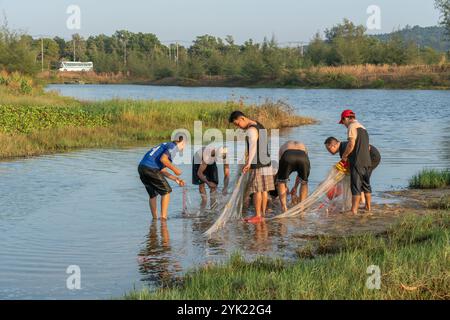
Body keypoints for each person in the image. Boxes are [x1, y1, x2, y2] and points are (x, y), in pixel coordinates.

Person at [229, 111, 275, 223]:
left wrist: (248, 163)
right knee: (264, 190)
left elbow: (253, 146)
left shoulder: (251, 130)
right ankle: (262, 214)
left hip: (257, 163)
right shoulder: (259, 125)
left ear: (242, 119)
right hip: (266, 162)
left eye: (237, 124)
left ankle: (258, 215)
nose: (238, 127)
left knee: (257, 190)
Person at [324, 136, 381, 207]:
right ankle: (362, 201)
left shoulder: (345, 148)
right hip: (366, 158)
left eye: (328, 149)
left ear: (333, 146)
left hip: (372, 157)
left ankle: (363, 202)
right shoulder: (343, 148)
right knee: (358, 179)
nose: (328, 151)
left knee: (361, 179)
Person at [138, 136, 186, 220]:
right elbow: (163, 159)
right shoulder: (173, 146)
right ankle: (163, 218)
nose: (184, 147)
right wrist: (176, 170)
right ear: (182, 143)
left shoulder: (166, 145)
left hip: (142, 168)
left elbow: (162, 170)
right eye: (184, 145)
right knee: (166, 192)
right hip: (151, 168)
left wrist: (176, 179)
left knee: (153, 195)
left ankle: (155, 219)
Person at [338, 109, 372, 214]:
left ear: (346, 119)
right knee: (366, 185)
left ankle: (354, 210)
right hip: (367, 161)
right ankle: (368, 207)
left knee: (356, 186)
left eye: (342, 121)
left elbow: (351, 144)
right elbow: (368, 147)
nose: (343, 124)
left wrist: (344, 155)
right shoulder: (363, 128)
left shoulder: (351, 127)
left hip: (357, 162)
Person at [276, 140, 311, 212]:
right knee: (304, 182)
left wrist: (285, 186)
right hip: (303, 156)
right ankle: (301, 207)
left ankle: (284, 207)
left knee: (281, 182)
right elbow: (300, 175)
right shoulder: (302, 145)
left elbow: (280, 171)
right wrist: (295, 187)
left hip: (287, 156)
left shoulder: (284, 146)